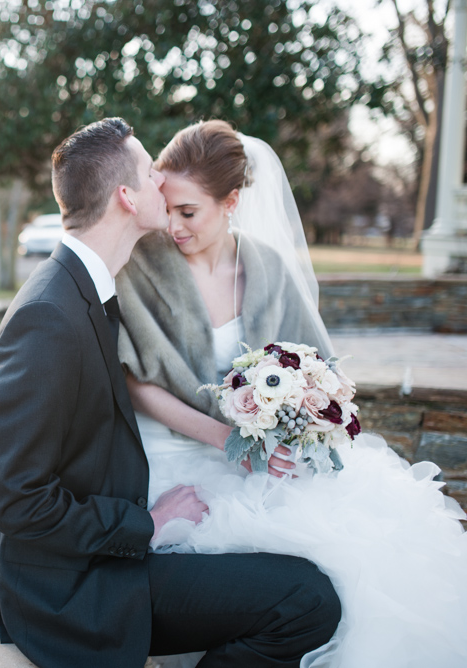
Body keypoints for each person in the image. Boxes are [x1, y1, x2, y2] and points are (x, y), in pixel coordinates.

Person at [0, 117, 341, 668]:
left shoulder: (88, 288)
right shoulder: (48, 318)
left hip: (101, 555)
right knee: (308, 600)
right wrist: (146, 524)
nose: (162, 182)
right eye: (151, 173)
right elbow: (20, 504)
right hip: (75, 593)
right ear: (127, 197)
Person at [116, 119, 467, 667]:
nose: (175, 225)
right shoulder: (144, 265)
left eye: (190, 212)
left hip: (261, 459)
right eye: (169, 208)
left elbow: (317, 372)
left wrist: (291, 425)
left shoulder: (269, 269)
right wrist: (222, 435)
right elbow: (134, 380)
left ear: (231, 201)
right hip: (174, 454)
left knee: (357, 560)